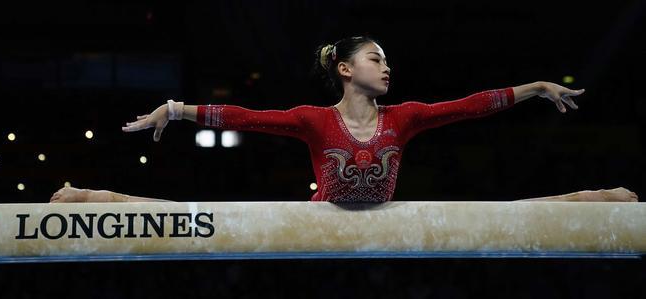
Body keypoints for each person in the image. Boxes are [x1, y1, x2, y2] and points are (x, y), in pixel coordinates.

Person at [50, 36, 638, 203]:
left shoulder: (404, 117)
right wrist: (175, 109)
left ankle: (605, 201)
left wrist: (535, 88)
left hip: (385, 222)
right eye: (375, 58)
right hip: (322, 222)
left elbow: (467, 106)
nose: (387, 67)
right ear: (344, 68)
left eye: (387, 60)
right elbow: (246, 115)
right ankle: (87, 197)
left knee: (511, 222)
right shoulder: (312, 119)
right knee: (193, 221)